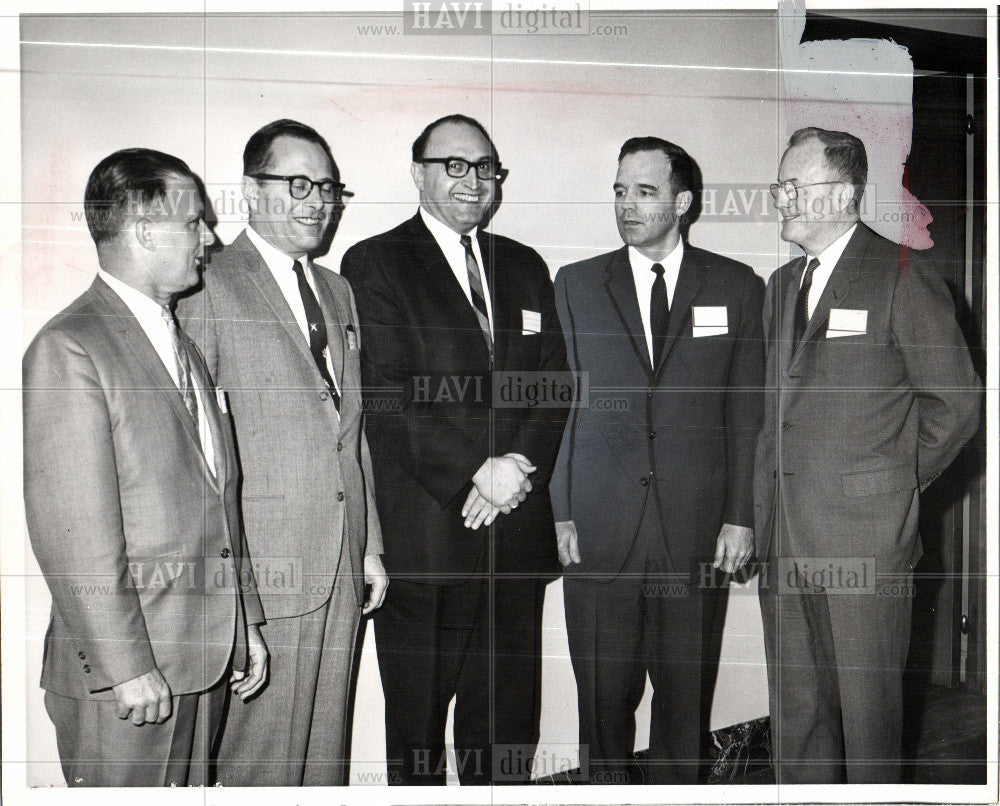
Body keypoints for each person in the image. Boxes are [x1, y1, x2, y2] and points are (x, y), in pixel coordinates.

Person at [23, 148, 267, 787]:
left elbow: (217, 503)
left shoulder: (177, 341)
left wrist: (243, 627)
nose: (209, 240)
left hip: (201, 662)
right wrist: (127, 665)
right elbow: (74, 533)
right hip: (129, 681)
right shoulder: (70, 346)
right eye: (195, 223)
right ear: (144, 230)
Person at [341, 113, 569, 785]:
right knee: (415, 730)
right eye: (456, 166)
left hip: (514, 534)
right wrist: (478, 469)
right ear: (419, 173)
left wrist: (515, 470)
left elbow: (552, 381)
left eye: (487, 169)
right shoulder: (375, 262)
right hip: (428, 540)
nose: (475, 182)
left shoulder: (523, 265)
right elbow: (387, 394)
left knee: (505, 729)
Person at [755, 126, 981, 783]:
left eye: (795, 186)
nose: (781, 199)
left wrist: (892, 485)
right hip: (786, 538)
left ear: (844, 194)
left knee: (869, 725)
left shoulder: (903, 275)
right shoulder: (778, 288)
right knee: (798, 720)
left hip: (866, 544)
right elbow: (777, 417)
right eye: (780, 186)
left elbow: (957, 402)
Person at [177, 119, 387, 786]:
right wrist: (230, 588)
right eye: (298, 183)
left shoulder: (337, 290)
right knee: (258, 761)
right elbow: (195, 449)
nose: (317, 200)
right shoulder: (209, 283)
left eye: (328, 187)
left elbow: (350, 429)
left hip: (341, 559)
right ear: (251, 191)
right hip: (265, 568)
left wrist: (371, 544)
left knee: (325, 756)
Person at [550, 136, 764, 784]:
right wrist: (558, 513)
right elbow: (560, 408)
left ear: (683, 201)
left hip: (694, 532)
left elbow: (745, 410)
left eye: (644, 191)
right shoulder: (578, 285)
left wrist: (740, 517)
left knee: (683, 712)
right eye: (620, 191)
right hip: (599, 530)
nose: (627, 205)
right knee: (603, 714)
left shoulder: (735, 286)